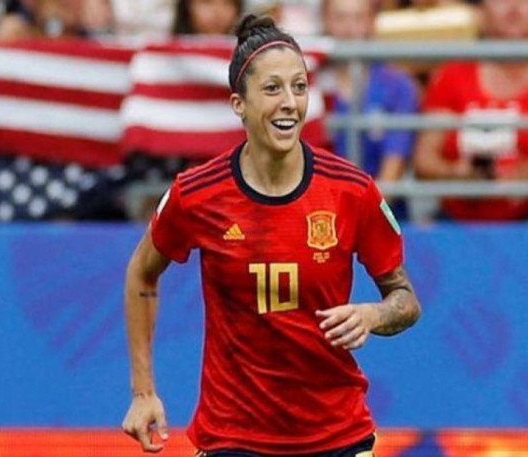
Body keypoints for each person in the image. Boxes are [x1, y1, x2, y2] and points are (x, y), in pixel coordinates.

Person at [121, 13, 422, 455]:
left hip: (336, 434)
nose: (289, 102)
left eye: (299, 87)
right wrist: (144, 392)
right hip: (233, 438)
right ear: (238, 104)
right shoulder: (197, 194)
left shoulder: (352, 190)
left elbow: (406, 300)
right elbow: (142, 274)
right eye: (272, 88)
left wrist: (372, 316)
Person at [414, 0, 528, 221]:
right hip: (459, 220)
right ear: (482, 10)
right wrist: (456, 174)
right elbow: (424, 160)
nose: (513, 8)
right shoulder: (453, 74)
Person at [320, 0, 420, 219]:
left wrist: (355, 223)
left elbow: (392, 173)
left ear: (372, 22)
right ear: (325, 21)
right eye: (340, 17)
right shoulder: (308, 84)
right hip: (319, 218)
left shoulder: (399, 86)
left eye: (358, 18)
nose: (349, 29)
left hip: (382, 219)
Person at [173, 0, 243, 35]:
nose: (218, 12)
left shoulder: (247, 53)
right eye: (207, 2)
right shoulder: (169, 54)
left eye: (227, 2)